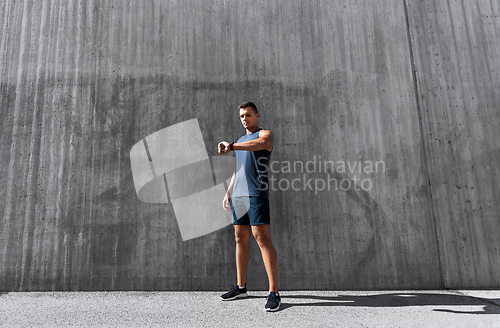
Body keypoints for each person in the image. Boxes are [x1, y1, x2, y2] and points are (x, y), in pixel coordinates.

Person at [217, 102, 280, 312]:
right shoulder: (241, 140)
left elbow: (260, 144)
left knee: (261, 238)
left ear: (257, 115)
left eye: (248, 115)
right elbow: (239, 169)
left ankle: (274, 292)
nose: (245, 118)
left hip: (257, 194)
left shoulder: (265, 134)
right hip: (239, 196)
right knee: (239, 238)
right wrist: (228, 192)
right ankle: (241, 286)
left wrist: (232, 146)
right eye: (242, 116)